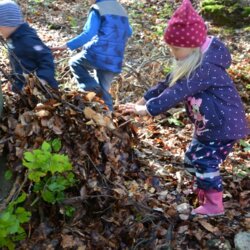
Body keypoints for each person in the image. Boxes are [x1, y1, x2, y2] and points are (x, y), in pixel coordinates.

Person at [119, 0, 249, 216]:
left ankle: (214, 205)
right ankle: (204, 188)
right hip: (208, 125)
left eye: (176, 48)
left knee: (205, 161)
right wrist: (142, 100)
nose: (173, 53)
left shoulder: (205, 68)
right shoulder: (191, 61)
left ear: (193, 46)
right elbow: (166, 84)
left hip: (224, 125)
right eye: (171, 48)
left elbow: (175, 92)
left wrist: (147, 110)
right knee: (191, 159)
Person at [52, 0, 132, 111]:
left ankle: (91, 88)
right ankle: (110, 119)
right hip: (115, 59)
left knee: (75, 62)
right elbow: (129, 32)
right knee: (104, 92)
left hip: (97, 53)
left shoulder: (98, 8)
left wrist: (66, 46)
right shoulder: (121, 10)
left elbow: (88, 33)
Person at [0, 0, 58, 93]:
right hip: (24, 86)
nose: (0, 32)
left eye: (0, 28)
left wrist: (42, 78)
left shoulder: (27, 40)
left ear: (7, 23)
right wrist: (15, 80)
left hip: (43, 90)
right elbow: (19, 64)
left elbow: (46, 55)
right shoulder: (14, 39)